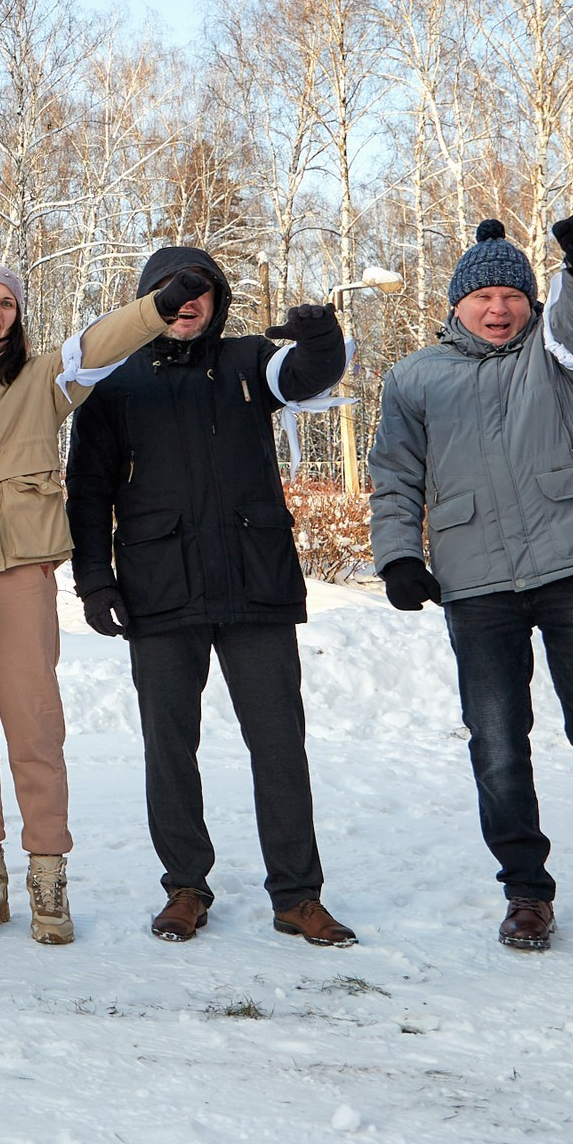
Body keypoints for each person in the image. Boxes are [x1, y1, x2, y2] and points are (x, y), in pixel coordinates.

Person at [370, 215, 573, 968]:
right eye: (485, 295)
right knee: (498, 746)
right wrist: (399, 555)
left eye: (514, 293)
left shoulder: (558, 354)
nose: (500, 307)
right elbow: (395, 475)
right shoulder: (415, 377)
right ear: (457, 303)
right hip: (476, 583)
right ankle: (527, 892)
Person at [67, 245, 357, 950]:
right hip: (158, 589)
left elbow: (307, 372)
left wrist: (322, 338)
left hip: (254, 580)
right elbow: (86, 492)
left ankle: (297, 894)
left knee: (280, 744)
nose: (185, 301)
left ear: (218, 300)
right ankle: (186, 887)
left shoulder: (250, 362)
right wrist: (95, 579)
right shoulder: (114, 384)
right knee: (170, 746)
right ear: (148, 302)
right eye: (168, 290)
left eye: (199, 290)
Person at [0, 261, 184, 943]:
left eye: (6, 301)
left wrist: (154, 309)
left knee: (34, 727)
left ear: (16, 315)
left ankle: (48, 877)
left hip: (20, 566)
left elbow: (101, 343)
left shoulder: (40, 377)